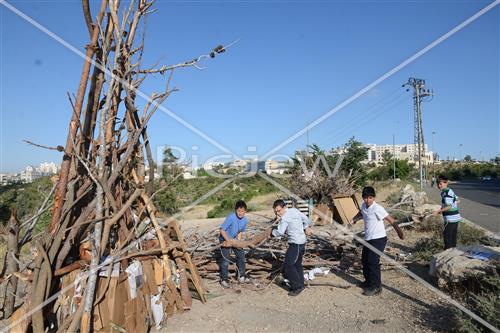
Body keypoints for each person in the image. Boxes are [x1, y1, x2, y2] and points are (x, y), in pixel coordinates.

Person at [350, 186, 404, 296]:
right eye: (365, 198)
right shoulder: (364, 206)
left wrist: (399, 232)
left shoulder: (377, 208)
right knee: (365, 260)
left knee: (373, 261)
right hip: (368, 238)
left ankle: (376, 287)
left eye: (370, 198)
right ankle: (368, 282)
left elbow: (391, 219)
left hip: (379, 239)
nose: (368, 200)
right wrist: (354, 219)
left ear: (374, 198)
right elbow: (361, 213)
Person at [271, 199, 312, 296]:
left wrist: (272, 232)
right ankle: (301, 284)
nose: (278, 213)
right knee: (297, 264)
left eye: (279, 210)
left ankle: (297, 287)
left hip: (296, 243)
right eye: (276, 211)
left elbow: (280, 232)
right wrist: (305, 227)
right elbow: (306, 219)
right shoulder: (294, 210)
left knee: (289, 265)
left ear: (284, 207)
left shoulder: (285, 217)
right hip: (302, 242)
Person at [219, 200, 250, 288]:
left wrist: (238, 242)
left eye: (242, 211)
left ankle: (241, 276)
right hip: (224, 239)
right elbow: (222, 230)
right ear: (235, 210)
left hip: (234, 239)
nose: (240, 213)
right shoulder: (231, 217)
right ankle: (224, 279)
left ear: (245, 211)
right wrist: (228, 241)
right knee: (225, 259)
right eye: (238, 211)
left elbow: (239, 231)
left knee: (241, 256)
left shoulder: (245, 220)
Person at [432, 175, 462, 250]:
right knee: (452, 238)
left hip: (450, 219)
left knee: (447, 238)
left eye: (441, 184)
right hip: (455, 218)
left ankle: (447, 254)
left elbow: (449, 207)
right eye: (438, 184)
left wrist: (438, 211)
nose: (439, 186)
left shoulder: (446, 193)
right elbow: (458, 200)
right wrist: (451, 203)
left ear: (446, 183)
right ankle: (453, 253)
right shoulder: (449, 191)